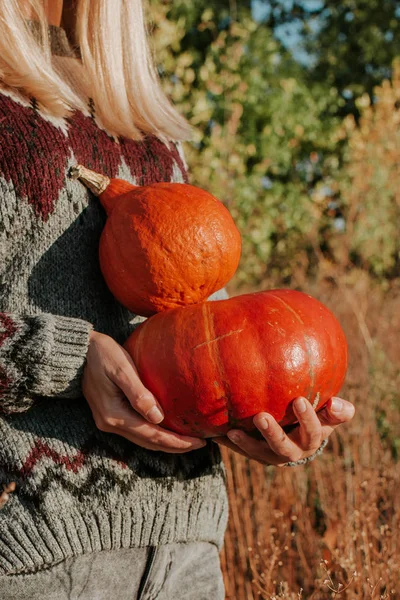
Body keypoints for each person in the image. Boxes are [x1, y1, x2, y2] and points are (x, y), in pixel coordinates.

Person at [0, 1, 355, 598]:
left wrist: (262, 418)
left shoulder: (145, 129)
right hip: (33, 551)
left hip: (187, 551)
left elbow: (198, 329)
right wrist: (70, 358)